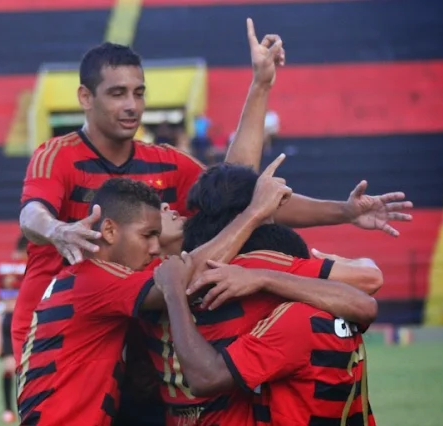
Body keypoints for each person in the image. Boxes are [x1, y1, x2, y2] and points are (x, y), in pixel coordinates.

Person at [13, 20, 291, 368]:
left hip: (139, 337)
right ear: (85, 97)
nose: (132, 105)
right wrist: (57, 230)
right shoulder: (57, 156)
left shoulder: (166, 162)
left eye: (139, 93)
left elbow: (233, 189)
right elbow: (31, 214)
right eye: (118, 93)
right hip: (59, 339)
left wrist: (260, 84)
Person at [16, 168, 291, 425]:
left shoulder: (88, 278)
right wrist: (254, 212)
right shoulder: (95, 278)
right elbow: (184, 280)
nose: (154, 247)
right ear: (109, 231)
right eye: (147, 235)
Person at [135, 162, 382, 426]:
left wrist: (261, 278)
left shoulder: (158, 279)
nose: (167, 207)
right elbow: (370, 284)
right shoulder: (257, 264)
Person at [0, 236, 28, 424]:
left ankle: (17, 408)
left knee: (18, 368)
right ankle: (9, 409)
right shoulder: (21, 266)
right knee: (11, 367)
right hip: (13, 318)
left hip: (15, 318)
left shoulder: (4, 266)